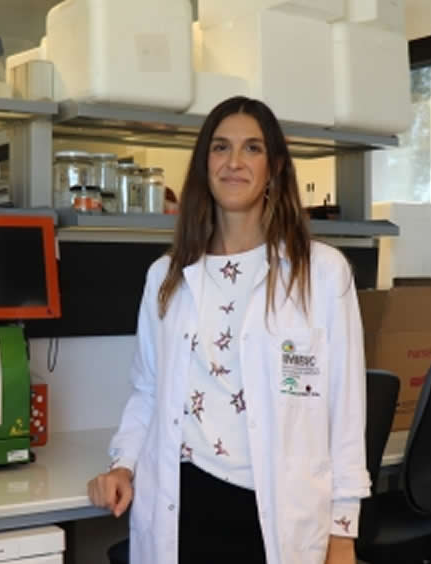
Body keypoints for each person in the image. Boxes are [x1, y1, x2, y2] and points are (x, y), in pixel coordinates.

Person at [87, 96, 369, 564]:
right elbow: (148, 391)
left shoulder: (321, 273)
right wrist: (123, 465)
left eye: (252, 148)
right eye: (220, 147)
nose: (234, 162)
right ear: (205, 164)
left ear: (274, 168)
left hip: (277, 513)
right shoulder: (166, 276)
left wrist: (342, 532)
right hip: (184, 506)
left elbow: (345, 408)